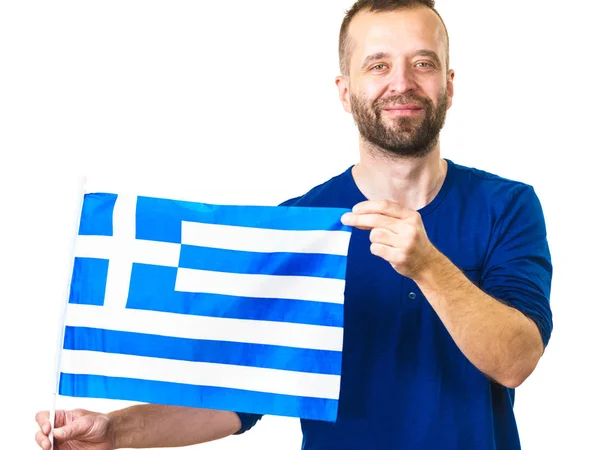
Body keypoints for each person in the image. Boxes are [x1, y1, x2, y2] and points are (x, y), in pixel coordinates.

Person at [35, 0, 553, 449]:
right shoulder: (302, 226)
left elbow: (516, 360)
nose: (402, 82)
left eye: (423, 63)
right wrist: (115, 430)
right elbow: (237, 398)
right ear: (345, 90)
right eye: (378, 65)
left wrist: (428, 267)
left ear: (448, 84)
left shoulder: (506, 207)